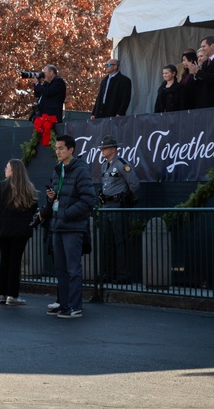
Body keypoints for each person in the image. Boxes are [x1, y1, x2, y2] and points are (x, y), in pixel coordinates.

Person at [43, 134, 96, 319]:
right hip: (58, 226)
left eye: (61, 148)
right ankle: (64, 305)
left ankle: (75, 307)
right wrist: (51, 198)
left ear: (71, 150)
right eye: (56, 148)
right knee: (61, 269)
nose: (57, 151)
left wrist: (66, 213)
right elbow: (59, 197)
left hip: (72, 227)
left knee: (73, 269)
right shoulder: (58, 170)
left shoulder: (81, 170)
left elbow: (89, 199)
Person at [0, 159, 38, 306]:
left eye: (7, 167)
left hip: (3, 229)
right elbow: (34, 208)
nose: (5, 169)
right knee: (15, 262)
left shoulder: (0, 187)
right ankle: (12, 295)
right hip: (21, 230)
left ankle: (2, 294)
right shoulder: (29, 188)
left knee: (5, 260)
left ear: (12, 171)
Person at [97, 136, 141, 284]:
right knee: (107, 241)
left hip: (117, 205)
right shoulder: (104, 165)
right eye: (102, 148)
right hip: (105, 206)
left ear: (113, 150)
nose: (102, 151)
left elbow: (134, 185)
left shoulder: (123, 165)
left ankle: (123, 275)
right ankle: (108, 273)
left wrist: (128, 200)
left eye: (105, 148)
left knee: (120, 241)